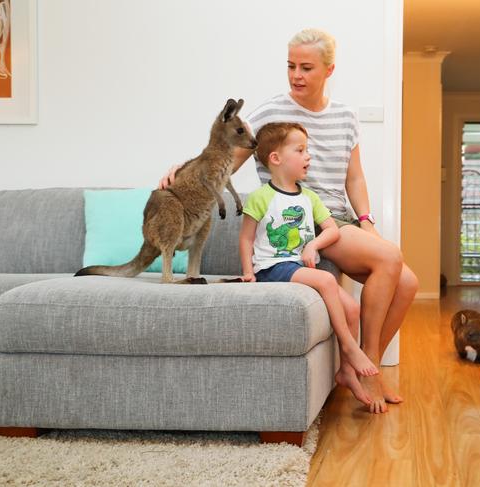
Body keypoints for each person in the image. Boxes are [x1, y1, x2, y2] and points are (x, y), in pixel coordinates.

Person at [160, 28, 418, 414]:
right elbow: (225, 158)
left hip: (337, 216)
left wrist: (365, 220)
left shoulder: (346, 116)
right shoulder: (270, 112)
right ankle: (367, 370)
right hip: (300, 219)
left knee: (409, 284)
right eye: (291, 66)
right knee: (390, 259)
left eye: (306, 67)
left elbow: (355, 177)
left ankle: (363, 364)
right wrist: (182, 171)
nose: (296, 75)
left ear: (329, 70)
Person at [240, 122, 378, 390]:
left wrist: (313, 245)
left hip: (294, 265)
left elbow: (331, 231)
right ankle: (350, 348)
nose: (308, 156)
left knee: (352, 307)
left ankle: (346, 372)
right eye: (300, 150)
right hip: (270, 268)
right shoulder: (260, 197)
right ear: (276, 158)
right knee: (327, 280)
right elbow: (246, 238)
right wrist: (248, 271)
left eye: (307, 150)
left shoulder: (310, 198)